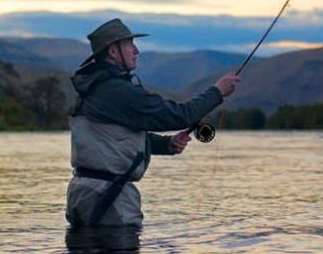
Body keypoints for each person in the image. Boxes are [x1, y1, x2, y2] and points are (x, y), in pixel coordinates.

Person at [65, 18, 238, 228]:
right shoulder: (117, 91)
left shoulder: (93, 87)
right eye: (129, 45)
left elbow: (115, 135)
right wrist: (217, 92)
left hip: (83, 193)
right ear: (113, 51)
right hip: (109, 198)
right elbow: (179, 115)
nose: (136, 51)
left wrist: (167, 144)